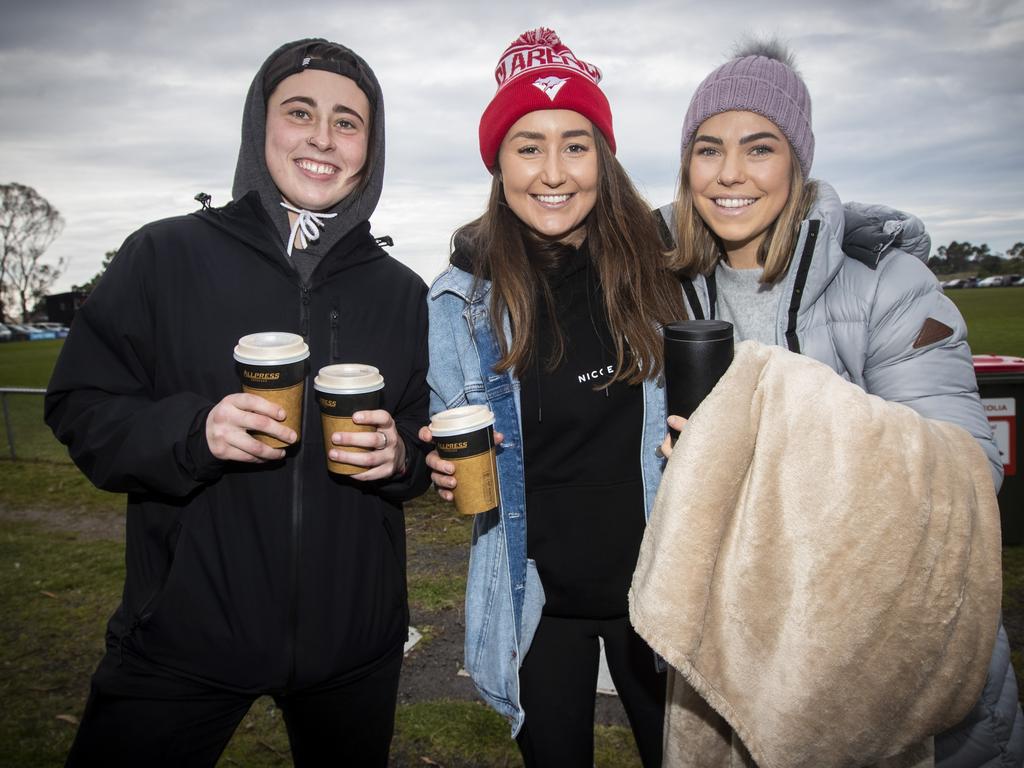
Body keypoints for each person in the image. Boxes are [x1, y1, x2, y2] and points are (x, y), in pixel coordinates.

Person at [44, 38, 430, 767]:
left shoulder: (401, 290)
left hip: (353, 647)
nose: (322, 137)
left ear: (371, 148)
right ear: (261, 127)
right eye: (299, 112)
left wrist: (402, 452)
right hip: (182, 639)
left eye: (348, 122)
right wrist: (194, 430)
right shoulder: (163, 255)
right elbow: (82, 406)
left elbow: (420, 435)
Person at [659, 39, 1022, 765]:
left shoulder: (888, 284)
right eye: (708, 149)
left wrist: (772, 442)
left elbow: (969, 473)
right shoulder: (658, 285)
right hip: (731, 651)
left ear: (798, 162)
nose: (730, 173)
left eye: (759, 148)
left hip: (883, 649)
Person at [419, 27, 685, 768]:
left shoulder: (665, 272)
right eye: (528, 145)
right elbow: (447, 434)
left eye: (576, 143)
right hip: (537, 603)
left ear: (603, 157)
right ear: (498, 164)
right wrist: (439, 464)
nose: (553, 170)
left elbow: (766, 226)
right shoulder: (458, 302)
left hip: (661, 594)